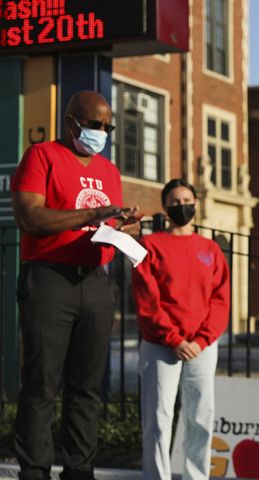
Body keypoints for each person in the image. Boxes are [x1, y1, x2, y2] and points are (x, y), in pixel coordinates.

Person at [10, 91, 140, 480]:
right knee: (42, 384)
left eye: (108, 126)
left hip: (96, 282)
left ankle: (79, 472)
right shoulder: (42, 156)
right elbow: (29, 218)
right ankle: (34, 471)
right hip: (50, 278)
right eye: (95, 124)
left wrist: (121, 226)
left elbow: (104, 224)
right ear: (72, 123)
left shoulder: (110, 171)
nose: (102, 132)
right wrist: (95, 212)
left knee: (87, 388)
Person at [131, 179, 230, 480]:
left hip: (202, 346)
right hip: (161, 344)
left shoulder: (210, 249)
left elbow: (221, 299)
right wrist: (174, 339)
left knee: (201, 417)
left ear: (196, 204)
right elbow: (146, 299)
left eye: (186, 199)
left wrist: (200, 340)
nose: (181, 206)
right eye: (174, 201)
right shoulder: (150, 245)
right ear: (165, 207)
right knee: (158, 418)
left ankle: (196, 476)